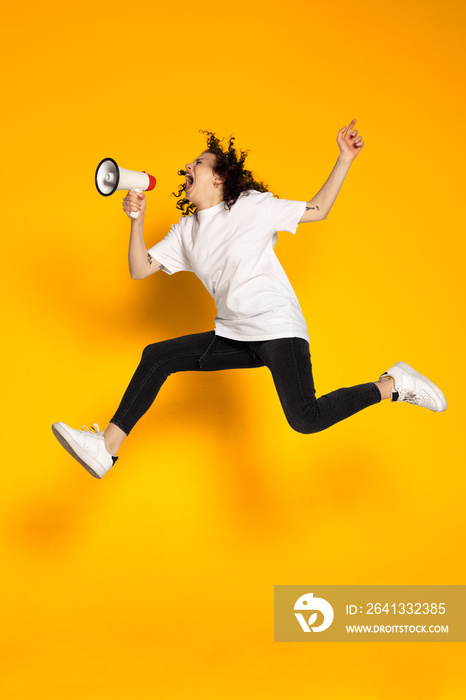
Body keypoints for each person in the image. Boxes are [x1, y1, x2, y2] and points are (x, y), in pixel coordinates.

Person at [52, 120, 447, 479]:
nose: (187, 168)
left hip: (276, 327)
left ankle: (392, 384)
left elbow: (319, 209)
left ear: (220, 176)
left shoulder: (252, 207)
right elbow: (140, 269)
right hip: (235, 333)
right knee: (158, 356)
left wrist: (344, 158)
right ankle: (107, 448)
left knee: (305, 419)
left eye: (198, 163)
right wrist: (136, 222)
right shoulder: (185, 231)